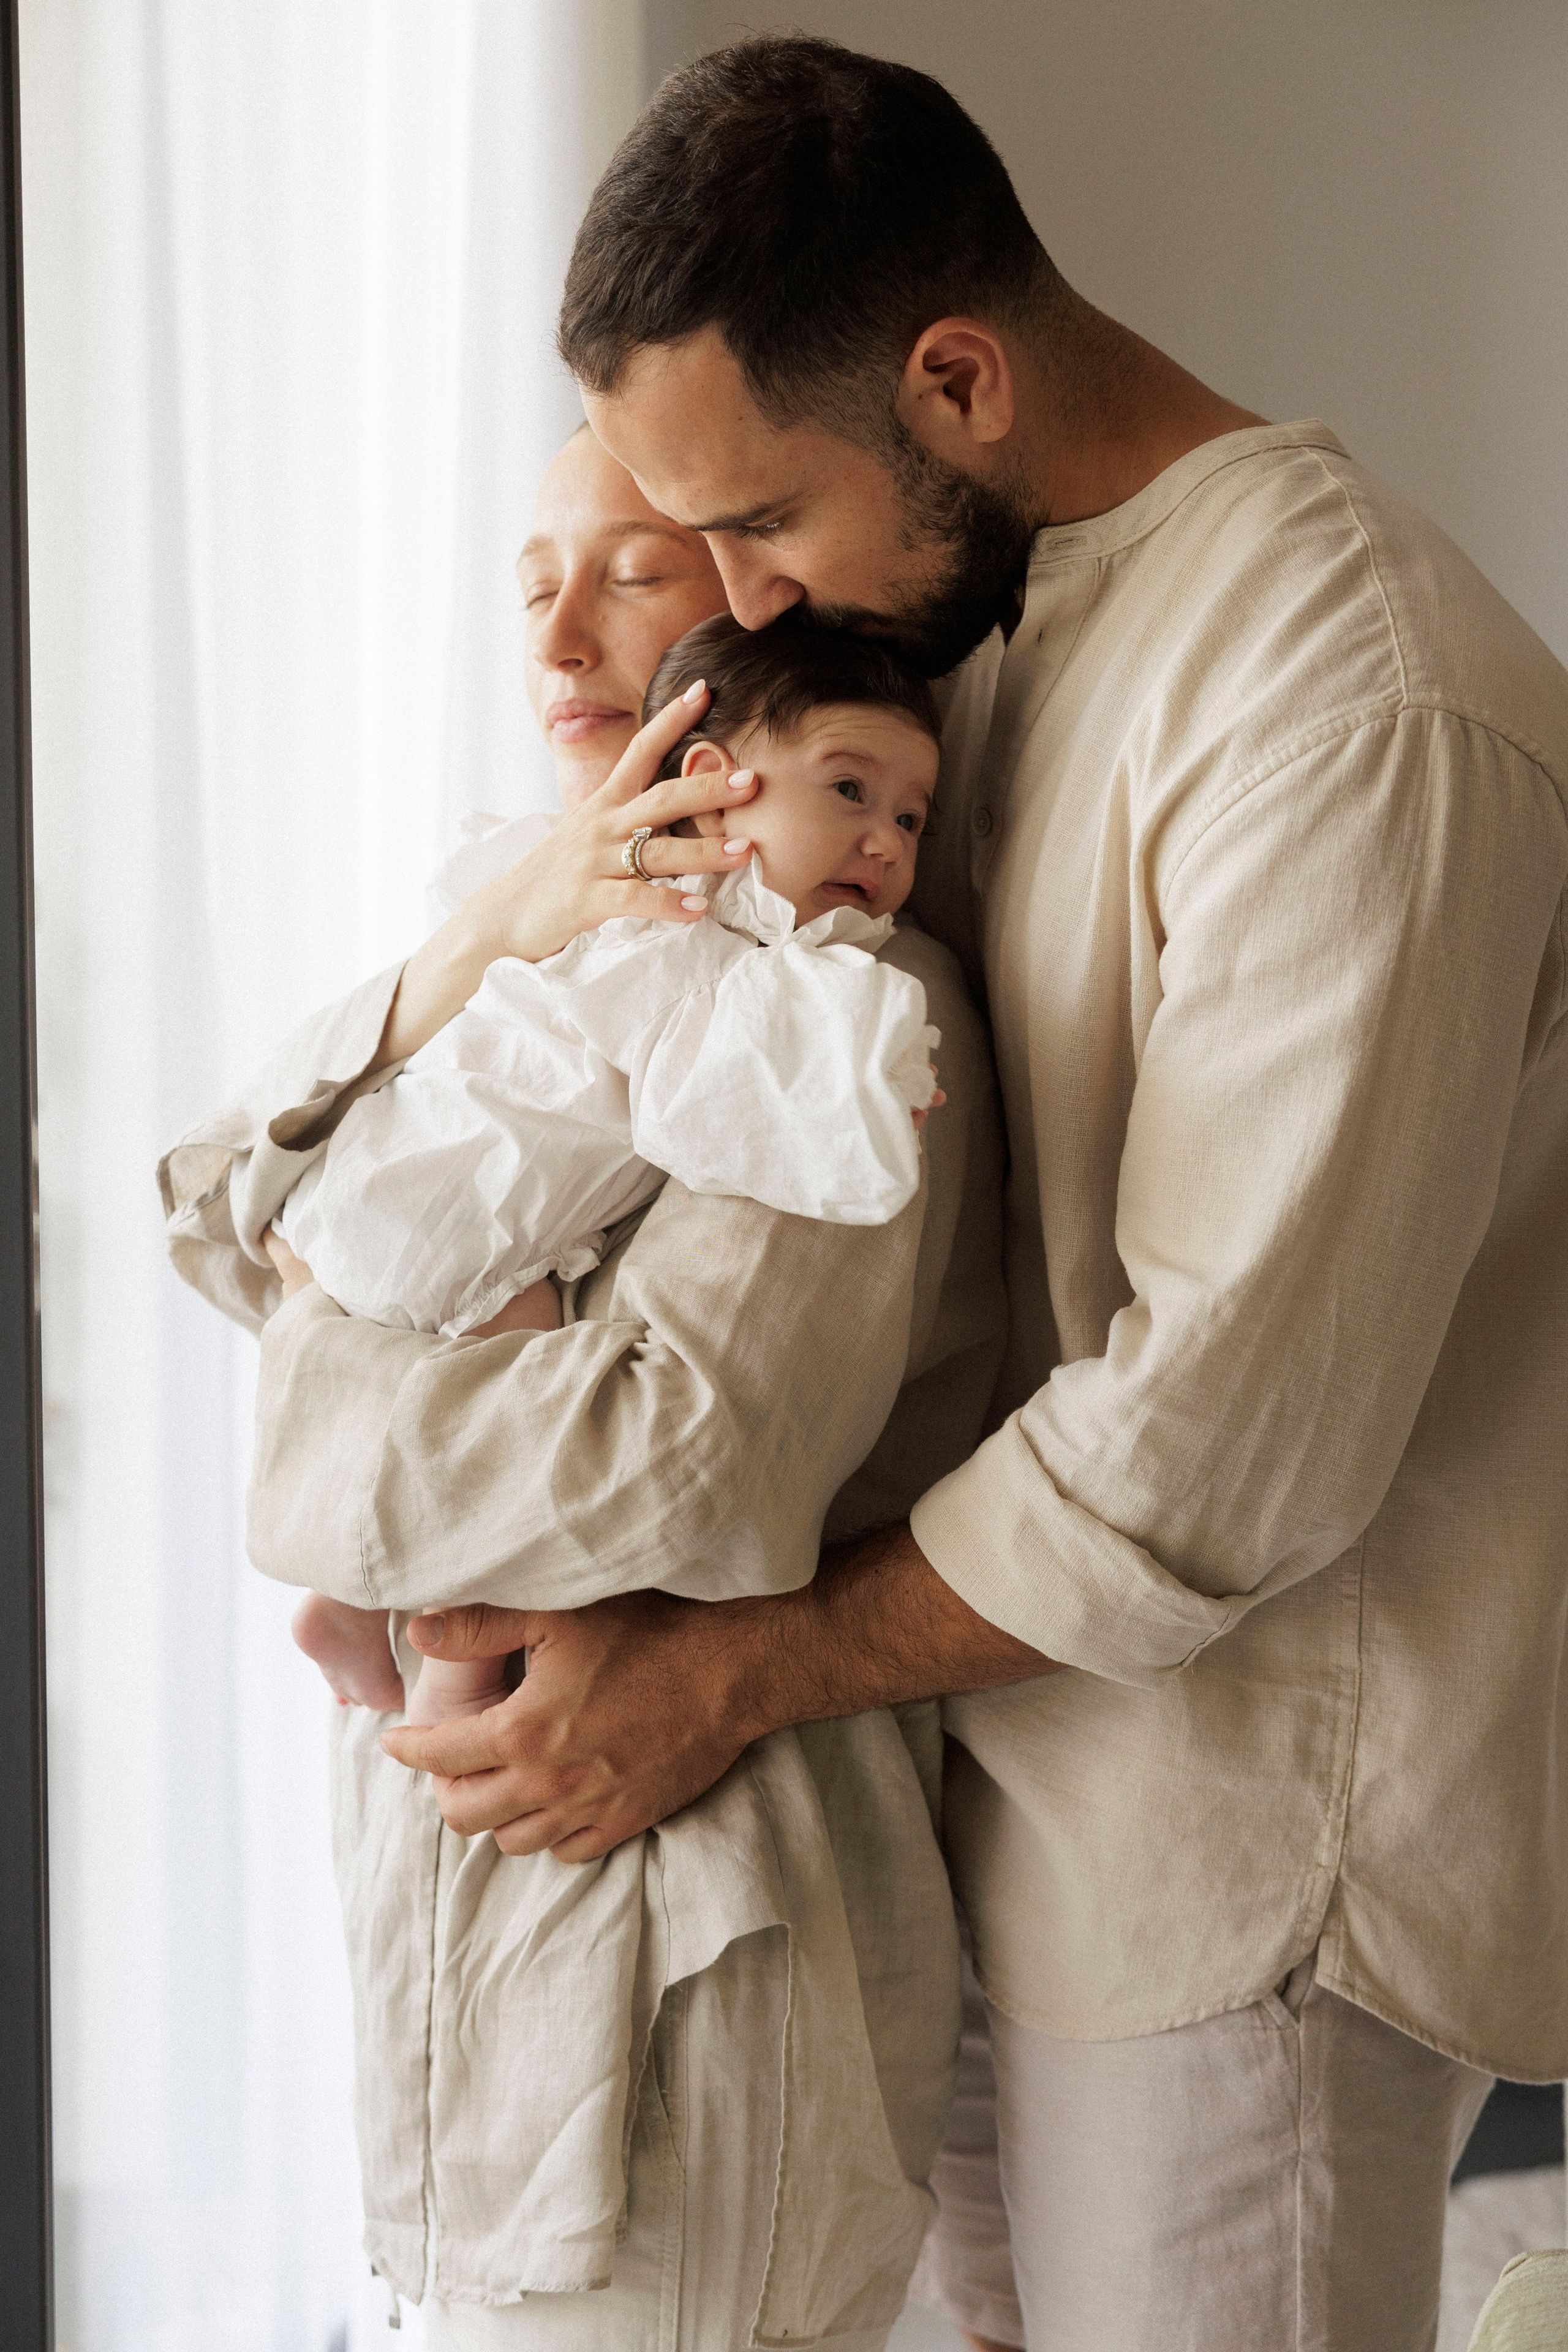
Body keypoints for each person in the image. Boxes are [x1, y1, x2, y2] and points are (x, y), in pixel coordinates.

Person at [309, 35, 1564, 2352]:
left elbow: (1222, 1450)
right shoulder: (992, 635)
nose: (742, 598)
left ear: (955, 379)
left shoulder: (1350, 698)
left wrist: (723, 1677)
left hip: (1233, 1865)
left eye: (761, 526)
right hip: (959, 1787)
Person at [159, 431, 1008, 2346]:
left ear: (760, 612)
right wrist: (481, 940)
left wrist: (304, 1416)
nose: (554, 622)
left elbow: (683, 1460)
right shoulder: (536, 955)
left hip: (703, 1975)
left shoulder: (843, 1011)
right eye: (531, 568)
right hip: (483, 1965)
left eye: (627, 567)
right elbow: (209, 1209)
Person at [282, 614, 944, 1725]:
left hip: (384, 1189)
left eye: (910, 817)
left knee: (470, 1396)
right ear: (712, 782)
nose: (883, 840)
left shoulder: (629, 902)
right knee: (506, 1418)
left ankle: (338, 1605)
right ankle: (449, 1669)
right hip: (444, 1211)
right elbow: (709, 1111)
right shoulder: (682, 929)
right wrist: (862, 1096)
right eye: (848, 792)